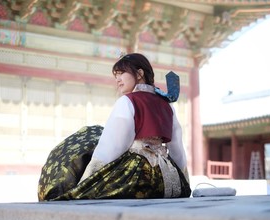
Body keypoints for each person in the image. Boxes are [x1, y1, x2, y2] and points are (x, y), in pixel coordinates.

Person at [37, 53, 191, 201]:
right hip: (168, 179)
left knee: (90, 137)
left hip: (139, 178)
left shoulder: (128, 101)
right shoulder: (167, 105)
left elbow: (113, 147)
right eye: (115, 75)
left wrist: (88, 179)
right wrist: (183, 179)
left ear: (139, 74)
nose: (117, 79)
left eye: (122, 73)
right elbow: (177, 148)